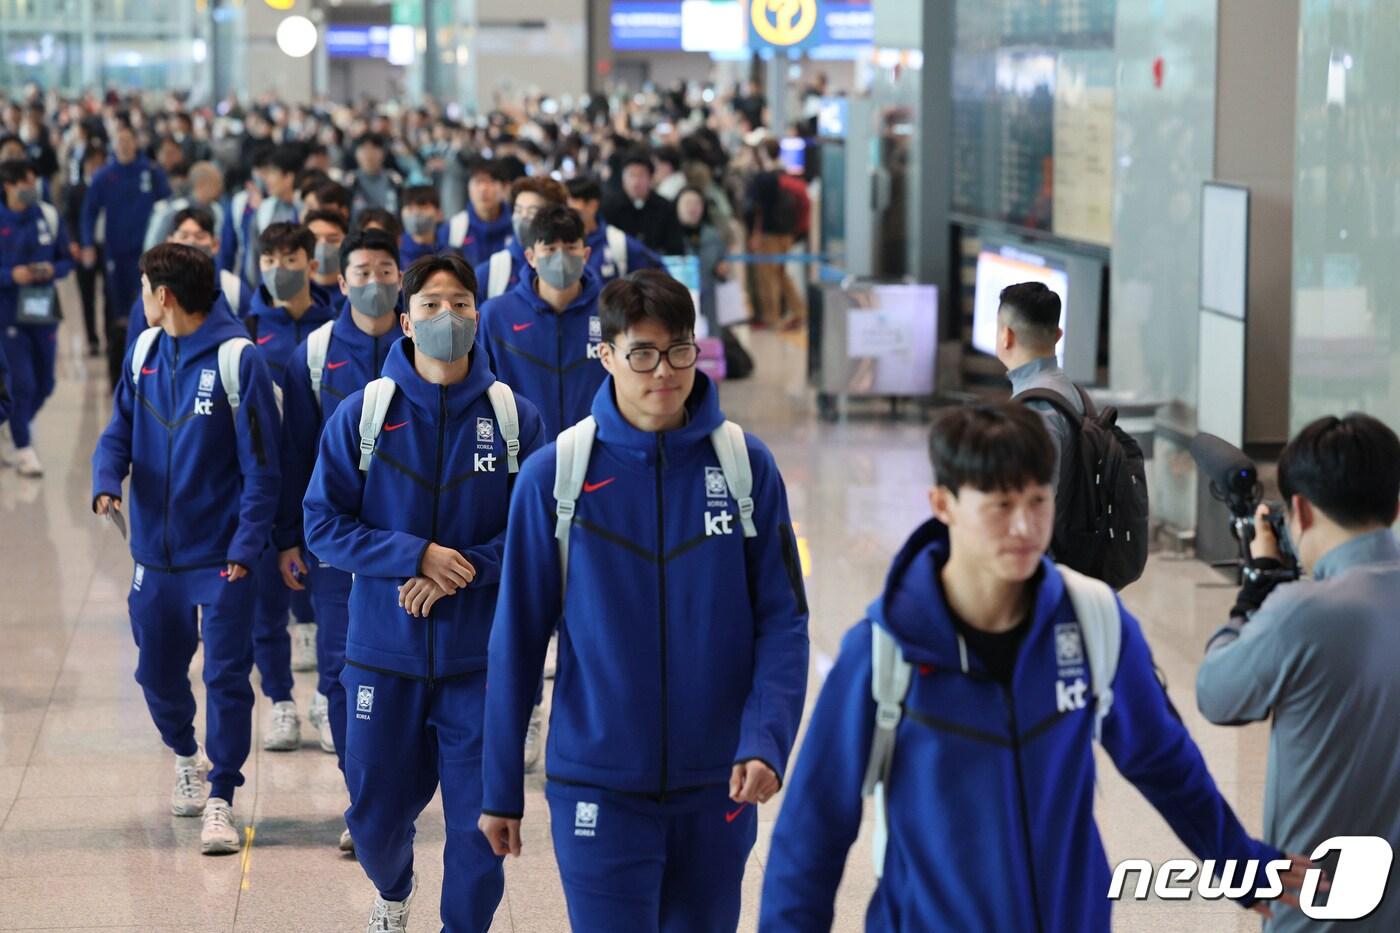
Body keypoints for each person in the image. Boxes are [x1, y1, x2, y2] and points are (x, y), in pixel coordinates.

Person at [758, 403, 1310, 931]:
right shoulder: (885, 650)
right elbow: (812, 832)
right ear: (943, 503)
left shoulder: (1093, 622)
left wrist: (1243, 867)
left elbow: (1163, 761)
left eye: (1038, 500)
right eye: (1000, 505)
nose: (1025, 527)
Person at [479, 271, 809, 932]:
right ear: (605, 354)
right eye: (643, 353)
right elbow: (516, 639)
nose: (665, 370)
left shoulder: (745, 467)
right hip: (597, 782)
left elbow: (783, 619)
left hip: (717, 785)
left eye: (679, 349)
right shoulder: (556, 477)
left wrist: (766, 739)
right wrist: (500, 787)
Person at [303, 252, 545, 933]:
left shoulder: (515, 418)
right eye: (432, 306)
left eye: (462, 304)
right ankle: (395, 883)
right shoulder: (364, 414)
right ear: (406, 321)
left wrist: (465, 565)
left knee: (481, 830)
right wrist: (415, 555)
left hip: (484, 661)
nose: (449, 317)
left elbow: (545, 532)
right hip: (385, 652)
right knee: (375, 817)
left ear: (479, 314)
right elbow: (322, 524)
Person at [91, 243, 280, 856]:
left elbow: (262, 469)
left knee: (226, 676)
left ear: (164, 296)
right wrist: (104, 479)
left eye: (146, 287)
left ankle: (221, 795)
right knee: (155, 670)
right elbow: (119, 426)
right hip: (154, 555)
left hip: (221, 556)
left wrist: (246, 548)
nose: (142, 298)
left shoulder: (238, 361)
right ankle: (186, 754)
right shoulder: (143, 350)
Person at [1197, 414, 1400, 932]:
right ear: (1395, 507)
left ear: (1301, 512)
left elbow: (1217, 695)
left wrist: (1252, 598)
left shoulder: (1298, 611)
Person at [275, 229, 404, 847]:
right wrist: (288, 537)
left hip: (411, 544)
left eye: (385, 268)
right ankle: (364, 802)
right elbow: (296, 451)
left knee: (405, 679)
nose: (373, 281)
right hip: (335, 545)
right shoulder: (316, 349)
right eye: (361, 270)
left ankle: (395, 788)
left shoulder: (424, 346)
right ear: (340, 276)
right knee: (341, 675)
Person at [246, 221, 338, 746]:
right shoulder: (247, 328)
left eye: (289, 259)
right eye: (269, 261)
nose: (279, 270)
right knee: (267, 604)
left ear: (310, 259)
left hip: (321, 480)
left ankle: (327, 694)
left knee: (327, 599)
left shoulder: (336, 326)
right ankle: (281, 700)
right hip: (265, 482)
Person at [80, 121, 171, 385]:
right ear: (114, 145)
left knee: (149, 309)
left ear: (136, 142)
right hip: (115, 255)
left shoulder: (151, 172)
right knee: (117, 313)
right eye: (119, 141)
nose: (125, 145)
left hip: (147, 255)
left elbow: (167, 207)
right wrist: (87, 244)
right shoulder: (105, 176)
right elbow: (89, 213)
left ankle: (149, 369)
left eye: (129, 140)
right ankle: (117, 373)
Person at [0, 158, 72, 478]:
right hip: (7, 312)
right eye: (24, 182)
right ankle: (23, 447)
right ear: (9, 185)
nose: (32, 188)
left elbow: (66, 261)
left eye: (34, 181)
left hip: (42, 307)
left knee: (45, 383)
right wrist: (10, 275)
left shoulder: (48, 216)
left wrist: (50, 270)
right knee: (22, 383)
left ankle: (14, 423)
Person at [122, 206, 248, 359]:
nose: (191, 242)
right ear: (170, 241)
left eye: (200, 236)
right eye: (184, 235)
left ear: (215, 244)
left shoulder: (233, 289)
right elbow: (133, 360)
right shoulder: (152, 294)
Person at [996, 282, 1078, 499]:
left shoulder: (1035, 406)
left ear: (1006, 336)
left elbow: (1037, 499)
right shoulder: (1069, 390)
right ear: (1058, 336)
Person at [219, 142, 302, 291]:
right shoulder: (263, 208)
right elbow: (252, 254)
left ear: (288, 177)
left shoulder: (304, 207)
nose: (267, 179)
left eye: (272, 173)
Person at [474, 176, 568, 301]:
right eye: (518, 210)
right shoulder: (490, 272)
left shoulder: (570, 267)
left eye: (531, 212)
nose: (523, 218)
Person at [743, 140, 804, 329]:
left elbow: (758, 209)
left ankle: (772, 317)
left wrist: (755, 234)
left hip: (768, 233)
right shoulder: (786, 175)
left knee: (767, 277)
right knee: (781, 274)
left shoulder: (763, 178)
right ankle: (799, 311)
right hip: (786, 232)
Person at [565, 175, 664, 285]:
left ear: (593, 205)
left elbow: (659, 273)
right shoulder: (555, 245)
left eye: (573, 210)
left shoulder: (618, 242)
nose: (567, 215)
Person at [63, 136, 107, 357]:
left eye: (100, 162)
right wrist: (74, 243)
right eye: (92, 162)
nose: (96, 167)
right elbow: (69, 218)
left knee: (110, 294)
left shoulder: (111, 187)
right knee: (87, 295)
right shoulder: (76, 189)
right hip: (83, 248)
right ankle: (92, 338)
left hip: (107, 248)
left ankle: (111, 335)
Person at [601, 150, 685, 255]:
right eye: (631, 175)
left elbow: (674, 245)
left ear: (650, 178)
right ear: (623, 178)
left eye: (641, 175)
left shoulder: (665, 207)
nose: (636, 182)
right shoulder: (609, 207)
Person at [675, 186, 729, 333]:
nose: (692, 209)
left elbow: (723, 264)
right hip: (679, 300)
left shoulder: (712, 235)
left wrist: (723, 269)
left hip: (710, 301)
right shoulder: (670, 237)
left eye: (696, 204)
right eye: (687, 203)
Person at [444, 158, 512, 267]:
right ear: (468, 187)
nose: (483, 189)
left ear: (505, 187)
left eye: (491, 182)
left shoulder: (516, 227)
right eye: (477, 182)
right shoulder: (453, 229)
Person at [143, 160, 225, 252]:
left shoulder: (217, 210)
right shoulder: (176, 209)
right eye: (217, 183)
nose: (220, 188)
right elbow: (155, 244)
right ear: (201, 184)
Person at [345, 132, 402, 222]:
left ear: (383, 153)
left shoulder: (394, 179)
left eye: (374, 148)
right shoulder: (349, 181)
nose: (369, 154)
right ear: (355, 153)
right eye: (364, 149)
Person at [304, 208, 349, 308]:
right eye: (315, 239)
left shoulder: (355, 293)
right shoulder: (294, 293)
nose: (323, 245)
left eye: (333, 239)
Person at [398, 184, 446, 268]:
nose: (416, 213)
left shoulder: (448, 253)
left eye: (424, 207)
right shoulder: (395, 253)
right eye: (410, 208)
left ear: (439, 214)